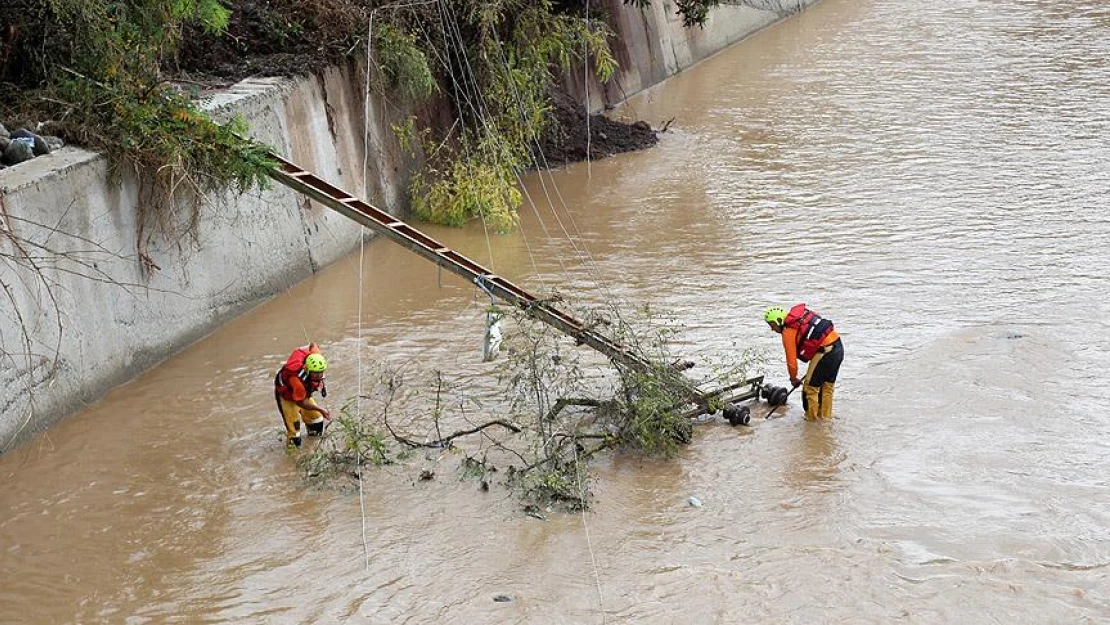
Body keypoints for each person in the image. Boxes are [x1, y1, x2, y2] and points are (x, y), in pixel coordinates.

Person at [764, 304, 844, 421]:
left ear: (779, 321)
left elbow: (791, 361)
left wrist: (793, 379)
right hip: (837, 347)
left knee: (810, 388)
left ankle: (811, 421)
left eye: (772, 325)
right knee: (827, 386)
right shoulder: (801, 317)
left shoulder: (788, 331)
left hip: (825, 352)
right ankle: (826, 418)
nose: (772, 329)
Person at [274, 342, 331, 446]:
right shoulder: (297, 382)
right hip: (288, 397)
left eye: (321, 372)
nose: (319, 376)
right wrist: (320, 409)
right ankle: (293, 457)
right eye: (316, 373)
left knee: (316, 420)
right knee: (295, 433)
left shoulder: (315, 355)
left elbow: (313, 344)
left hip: (302, 394)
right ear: (307, 369)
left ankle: (312, 448)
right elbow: (302, 403)